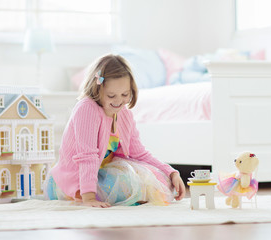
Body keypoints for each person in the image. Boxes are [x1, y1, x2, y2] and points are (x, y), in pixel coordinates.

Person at [44, 54, 185, 208]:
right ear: (97, 89)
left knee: (159, 178)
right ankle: (120, 197)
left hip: (100, 174)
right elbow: (87, 156)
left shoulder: (124, 114)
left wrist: (171, 172)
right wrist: (89, 198)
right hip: (74, 180)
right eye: (111, 96)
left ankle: (132, 196)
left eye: (124, 94)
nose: (119, 101)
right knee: (132, 183)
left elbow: (139, 153)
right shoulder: (87, 109)